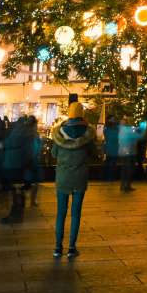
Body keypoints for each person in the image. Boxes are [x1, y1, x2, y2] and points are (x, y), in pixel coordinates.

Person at [51, 103, 94, 258]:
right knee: (76, 214)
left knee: (61, 213)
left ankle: (57, 248)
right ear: (82, 114)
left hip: (63, 178)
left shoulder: (58, 133)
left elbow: (54, 154)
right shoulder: (88, 134)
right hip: (80, 177)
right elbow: (92, 153)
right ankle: (71, 248)